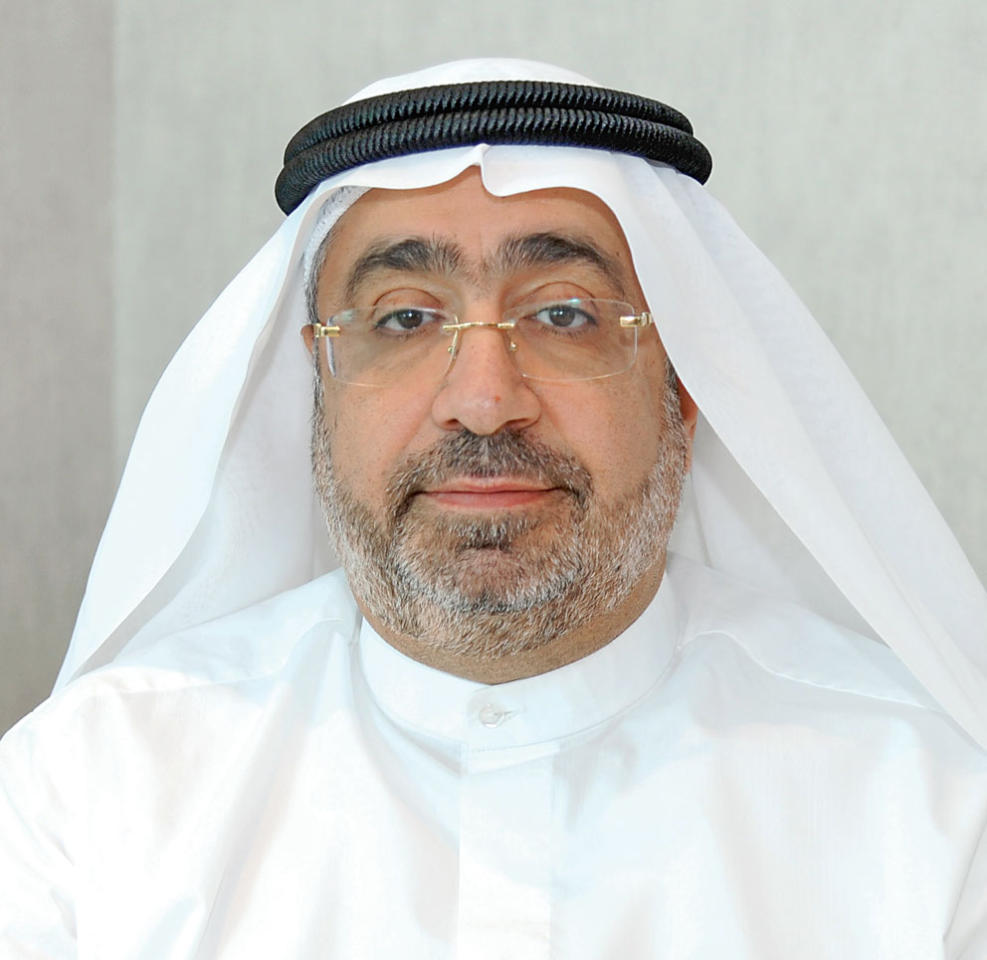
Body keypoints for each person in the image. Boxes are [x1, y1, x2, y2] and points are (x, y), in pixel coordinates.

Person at [1, 58, 985, 958]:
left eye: (563, 314)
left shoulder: (933, 811)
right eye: (404, 317)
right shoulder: (86, 796)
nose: (482, 399)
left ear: (683, 387)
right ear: (319, 382)